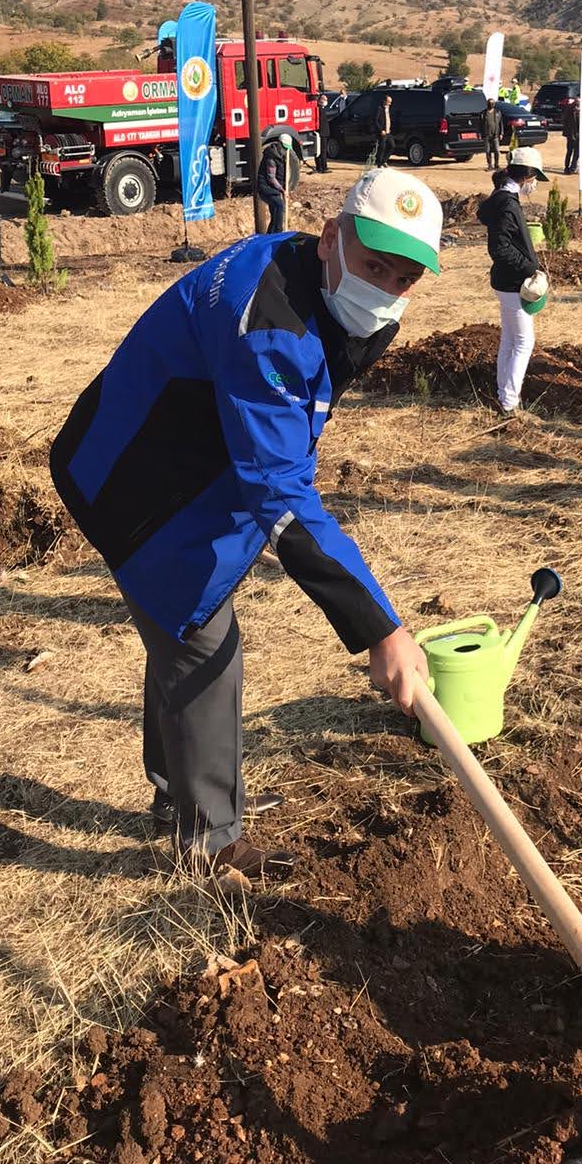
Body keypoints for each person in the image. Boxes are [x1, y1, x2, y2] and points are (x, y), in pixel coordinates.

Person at [50, 168, 442, 883]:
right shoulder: (268, 324)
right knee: (202, 644)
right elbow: (283, 495)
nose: (385, 285)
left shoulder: (325, 285)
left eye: (404, 275)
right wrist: (382, 631)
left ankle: (181, 792)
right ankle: (209, 840)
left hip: (175, 452)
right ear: (331, 239)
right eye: (373, 263)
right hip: (133, 477)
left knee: (179, 633)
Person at [478, 146, 549, 417]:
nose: (534, 185)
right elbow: (500, 248)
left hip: (505, 281)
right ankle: (509, 402)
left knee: (510, 338)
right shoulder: (507, 204)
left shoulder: (502, 198)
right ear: (527, 176)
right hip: (512, 282)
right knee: (524, 342)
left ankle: (503, 394)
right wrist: (529, 267)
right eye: (534, 180)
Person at [256, 136, 290, 233]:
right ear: (279, 144)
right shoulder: (271, 158)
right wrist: (282, 190)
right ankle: (278, 233)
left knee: (275, 215)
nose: (285, 150)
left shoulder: (280, 157)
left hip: (274, 189)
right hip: (266, 188)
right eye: (284, 148)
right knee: (279, 205)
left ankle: (270, 235)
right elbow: (271, 178)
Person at [561, 95, 580, 175]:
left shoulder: (569, 108)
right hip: (573, 134)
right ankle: (570, 168)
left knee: (572, 152)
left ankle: (569, 168)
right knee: (573, 152)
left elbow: (563, 119)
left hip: (572, 134)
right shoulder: (573, 110)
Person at [374, 95, 394, 167]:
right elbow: (375, 121)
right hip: (382, 132)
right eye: (389, 102)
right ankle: (379, 164)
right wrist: (381, 130)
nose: (390, 104)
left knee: (392, 146)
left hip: (388, 131)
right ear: (385, 101)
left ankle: (384, 161)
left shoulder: (389, 109)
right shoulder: (380, 109)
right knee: (382, 147)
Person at [483, 98, 502, 172]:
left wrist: (501, 133)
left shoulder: (498, 112)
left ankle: (496, 165)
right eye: (490, 103)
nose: (491, 104)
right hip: (486, 134)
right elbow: (480, 124)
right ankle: (489, 165)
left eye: (492, 103)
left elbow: (501, 124)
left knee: (497, 150)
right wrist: (480, 133)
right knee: (488, 151)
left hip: (495, 134)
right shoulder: (483, 113)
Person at [316, 93, 331, 173]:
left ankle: (319, 167)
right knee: (323, 151)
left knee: (319, 150)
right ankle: (323, 167)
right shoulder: (320, 109)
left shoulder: (320, 109)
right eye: (324, 100)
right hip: (322, 133)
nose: (326, 101)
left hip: (322, 132)